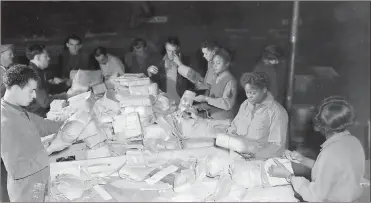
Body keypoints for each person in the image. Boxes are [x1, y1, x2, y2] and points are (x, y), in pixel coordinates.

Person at [268, 96, 365, 202]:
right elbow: (333, 171)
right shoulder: (354, 142)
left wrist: (288, 175)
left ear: (321, 127)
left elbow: (315, 196)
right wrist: (303, 160)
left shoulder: (330, 152)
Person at [1, 65, 67, 202]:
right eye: (31, 91)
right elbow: (17, 170)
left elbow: (43, 125)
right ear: (15, 89)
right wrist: (50, 149)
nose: (34, 95)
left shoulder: (16, 109)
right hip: (26, 191)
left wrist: (70, 119)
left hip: (38, 180)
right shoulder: (5, 122)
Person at [219, 72, 289, 159]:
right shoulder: (245, 104)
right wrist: (229, 137)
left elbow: (277, 146)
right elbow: (234, 127)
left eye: (253, 93)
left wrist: (255, 156)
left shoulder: (277, 112)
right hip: (237, 152)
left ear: (264, 89)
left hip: (260, 160)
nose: (249, 96)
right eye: (247, 92)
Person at [192, 48, 238, 120]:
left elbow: (227, 104)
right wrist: (199, 106)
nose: (214, 66)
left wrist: (205, 99)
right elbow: (213, 101)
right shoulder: (216, 78)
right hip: (212, 115)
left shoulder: (230, 81)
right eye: (213, 63)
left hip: (224, 119)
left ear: (227, 64)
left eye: (218, 63)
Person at [147, 36, 193, 104]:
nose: (171, 54)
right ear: (165, 47)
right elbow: (154, 82)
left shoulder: (186, 61)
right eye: (169, 50)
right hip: (166, 101)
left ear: (178, 48)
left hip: (182, 101)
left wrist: (180, 64)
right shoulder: (161, 62)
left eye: (173, 51)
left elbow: (194, 80)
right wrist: (149, 71)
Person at [25, 44, 67, 117]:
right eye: (45, 56)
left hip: (40, 111)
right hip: (38, 115)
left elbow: (47, 87)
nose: (49, 58)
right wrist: (65, 96)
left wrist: (66, 85)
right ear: (37, 58)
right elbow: (45, 102)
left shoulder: (38, 71)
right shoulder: (34, 76)